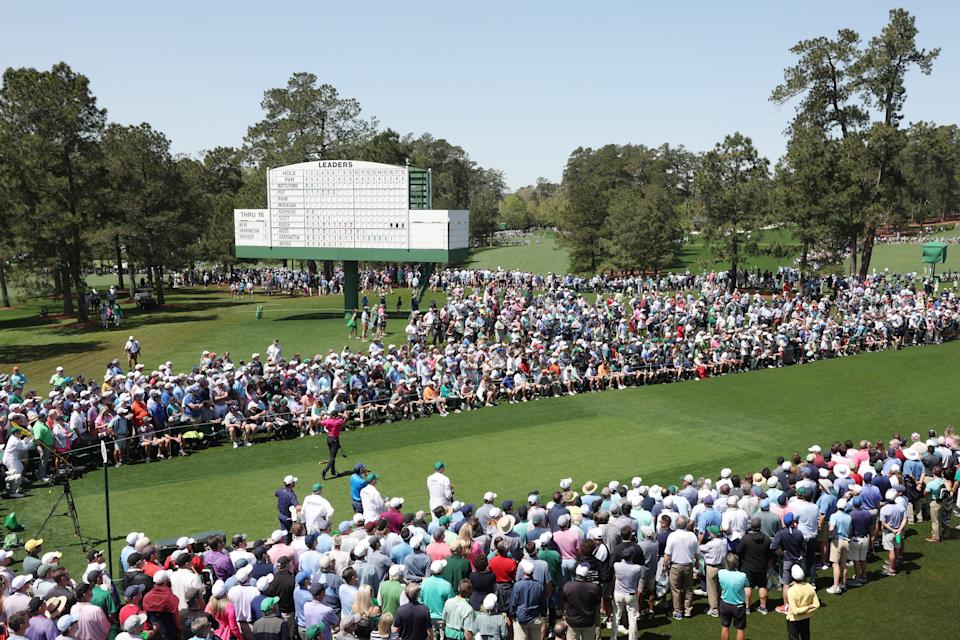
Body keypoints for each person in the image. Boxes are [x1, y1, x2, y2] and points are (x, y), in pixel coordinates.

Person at [663, 516, 697, 620]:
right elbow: (697, 553)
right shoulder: (692, 535)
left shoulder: (672, 536)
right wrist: (698, 565)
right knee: (688, 589)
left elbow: (667, 554)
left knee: (676, 589)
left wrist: (665, 565)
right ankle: (688, 610)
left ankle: (678, 611)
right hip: (688, 565)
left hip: (676, 566)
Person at [561, 564, 600, 640]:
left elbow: (564, 603)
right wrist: (597, 621)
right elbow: (597, 606)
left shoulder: (567, 586)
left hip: (573, 622)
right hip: (588, 622)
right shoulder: (594, 588)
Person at [508, 561, 543, 640]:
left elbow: (512, 603)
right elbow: (543, 602)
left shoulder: (517, 585)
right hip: (535, 618)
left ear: (524, 572)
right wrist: (542, 614)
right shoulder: (539, 585)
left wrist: (513, 615)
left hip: (521, 618)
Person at [717, 553, 748, 640]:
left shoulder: (721, 573)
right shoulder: (742, 575)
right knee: (740, 628)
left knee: (725, 626)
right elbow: (747, 585)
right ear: (737, 563)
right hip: (738, 606)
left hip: (724, 604)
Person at [783, 565, 819, 640]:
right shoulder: (809, 586)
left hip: (794, 620)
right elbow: (816, 605)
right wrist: (807, 609)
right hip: (806, 618)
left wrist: (806, 608)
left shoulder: (791, 591)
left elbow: (795, 611)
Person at [611, 549, 641, 640]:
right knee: (632, 619)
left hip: (618, 594)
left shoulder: (616, 565)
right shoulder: (637, 568)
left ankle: (613, 637)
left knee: (616, 616)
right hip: (630, 595)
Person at [320, 413, 345, 480]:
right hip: (334, 440)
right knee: (332, 457)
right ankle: (324, 471)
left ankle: (333, 471)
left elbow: (321, 422)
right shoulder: (337, 421)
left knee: (332, 456)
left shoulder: (328, 420)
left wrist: (322, 416)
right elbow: (344, 417)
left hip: (329, 439)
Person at [276, 476, 299, 542]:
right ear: (291, 484)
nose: (295, 483)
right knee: (292, 536)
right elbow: (297, 507)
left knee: (284, 533)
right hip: (288, 519)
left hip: (281, 515)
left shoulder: (280, 491)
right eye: (294, 482)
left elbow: (275, 493)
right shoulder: (291, 495)